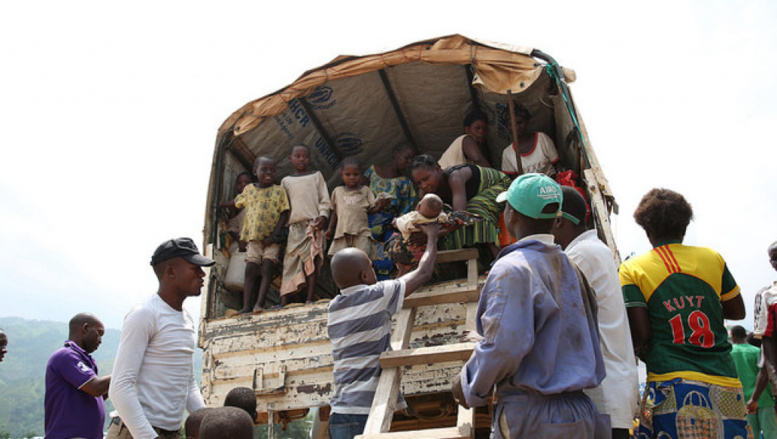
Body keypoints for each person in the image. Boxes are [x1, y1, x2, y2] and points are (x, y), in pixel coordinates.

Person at [452, 173, 606, 438]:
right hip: (580, 413)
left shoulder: (513, 268)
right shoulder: (573, 268)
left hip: (534, 414)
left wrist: (468, 384)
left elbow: (504, 347)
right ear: (556, 219)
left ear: (511, 216)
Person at [619, 188, 749, 438]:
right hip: (724, 382)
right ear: (685, 228)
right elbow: (737, 310)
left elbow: (642, 333)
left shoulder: (633, 269)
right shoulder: (713, 258)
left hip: (670, 383)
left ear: (647, 231)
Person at [326, 223, 441, 439]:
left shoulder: (334, 308)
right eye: (370, 267)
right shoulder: (378, 295)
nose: (374, 270)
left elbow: (376, 300)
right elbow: (424, 272)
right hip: (363, 413)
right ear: (364, 276)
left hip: (339, 413)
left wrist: (400, 276)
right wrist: (432, 236)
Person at [552, 186, 639, 439]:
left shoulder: (580, 256)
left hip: (602, 396)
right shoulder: (593, 250)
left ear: (558, 221)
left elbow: (555, 318)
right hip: (610, 393)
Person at [108, 237, 214, 439]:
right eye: (195, 268)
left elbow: (188, 384)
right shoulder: (145, 314)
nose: (202, 274)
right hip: (136, 432)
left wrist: (209, 421)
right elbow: (120, 387)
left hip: (169, 433)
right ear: (171, 272)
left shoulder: (186, 319)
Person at [409, 154, 510, 260]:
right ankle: (460, 268)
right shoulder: (425, 193)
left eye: (426, 179)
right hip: (472, 198)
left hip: (498, 185)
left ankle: (498, 259)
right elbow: (420, 218)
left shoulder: (455, 177)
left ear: (437, 169)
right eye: (419, 183)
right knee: (444, 217)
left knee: (474, 212)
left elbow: (460, 216)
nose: (423, 185)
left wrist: (434, 234)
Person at [234, 157, 290, 313]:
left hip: (272, 240)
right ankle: (246, 306)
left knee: (267, 268)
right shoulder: (249, 190)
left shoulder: (279, 191)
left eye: (272, 170)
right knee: (250, 269)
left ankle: (259, 304)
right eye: (264, 169)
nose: (268, 173)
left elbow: (284, 213)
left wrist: (274, 235)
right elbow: (237, 203)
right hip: (253, 239)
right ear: (255, 171)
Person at [44, 312, 111, 439]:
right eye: (99, 333)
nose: (100, 341)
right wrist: (126, 371)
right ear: (85, 328)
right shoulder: (67, 356)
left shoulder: (84, 360)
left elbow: (98, 395)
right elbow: (95, 388)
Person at [280, 144, 331, 305]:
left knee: (312, 262)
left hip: (313, 225)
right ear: (290, 158)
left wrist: (323, 216)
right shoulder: (286, 181)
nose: (302, 159)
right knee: (290, 263)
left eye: (305, 156)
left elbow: (325, 199)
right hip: (295, 228)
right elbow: (283, 206)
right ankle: (284, 301)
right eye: (298, 156)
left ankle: (309, 298)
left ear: (310, 159)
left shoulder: (316, 176)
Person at [364, 143, 417, 280]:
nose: (409, 162)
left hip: (389, 226)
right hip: (367, 224)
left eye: (412, 160)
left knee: (386, 258)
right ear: (396, 153)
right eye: (407, 157)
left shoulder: (405, 183)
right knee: (365, 256)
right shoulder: (372, 171)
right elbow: (359, 194)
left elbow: (407, 208)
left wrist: (395, 223)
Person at [325, 157, 388, 258]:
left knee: (362, 258)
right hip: (342, 233)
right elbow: (335, 212)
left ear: (361, 175)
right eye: (348, 174)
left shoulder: (365, 190)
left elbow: (371, 210)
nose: (352, 177)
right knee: (341, 260)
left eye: (356, 174)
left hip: (361, 232)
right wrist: (330, 229)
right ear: (341, 175)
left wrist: (380, 206)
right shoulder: (337, 191)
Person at [729, 325, 777, 438]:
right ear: (745, 335)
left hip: (741, 401)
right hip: (764, 398)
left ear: (733, 337)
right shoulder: (757, 351)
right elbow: (766, 374)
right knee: (771, 433)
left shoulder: (729, 354)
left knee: (750, 434)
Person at [500, 103, 561, 178]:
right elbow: (513, 180)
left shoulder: (542, 139)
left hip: (551, 182)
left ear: (527, 121)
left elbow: (557, 165)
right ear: (507, 127)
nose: (517, 127)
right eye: (512, 124)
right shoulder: (507, 153)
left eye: (520, 122)